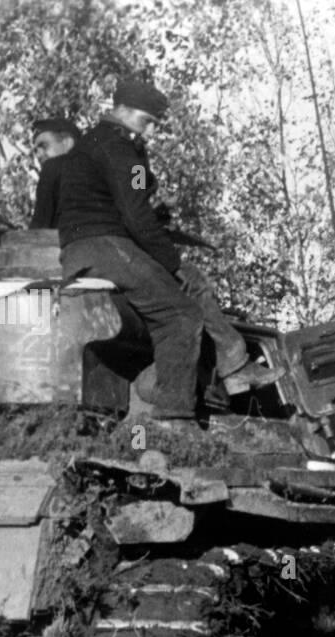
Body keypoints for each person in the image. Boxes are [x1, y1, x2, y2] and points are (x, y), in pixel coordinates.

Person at [56, 79, 277, 421]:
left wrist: (145, 174)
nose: (153, 131)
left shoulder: (103, 143)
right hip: (104, 245)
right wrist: (169, 261)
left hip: (92, 246)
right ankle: (173, 413)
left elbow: (137, 191)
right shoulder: (116, 147)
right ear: (122, 111)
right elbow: (136, 216)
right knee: (181, 315)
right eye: (147, 122)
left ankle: (234, 366)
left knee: (194, 279)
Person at [29, 118, 81, 230]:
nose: (38, 155)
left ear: (67, 143)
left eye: (44, 146)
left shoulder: (52, 168)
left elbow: (37, 233)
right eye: (36, 150)